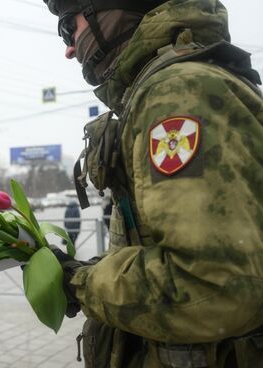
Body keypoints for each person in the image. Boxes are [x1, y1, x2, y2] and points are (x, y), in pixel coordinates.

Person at [42, 0, 263, 367]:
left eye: (69, 27)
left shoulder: (178, 91)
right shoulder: (175, 83)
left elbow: (209, 288)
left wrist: (80, 284)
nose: (68, 48)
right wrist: (85, 270)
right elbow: (168, 247)